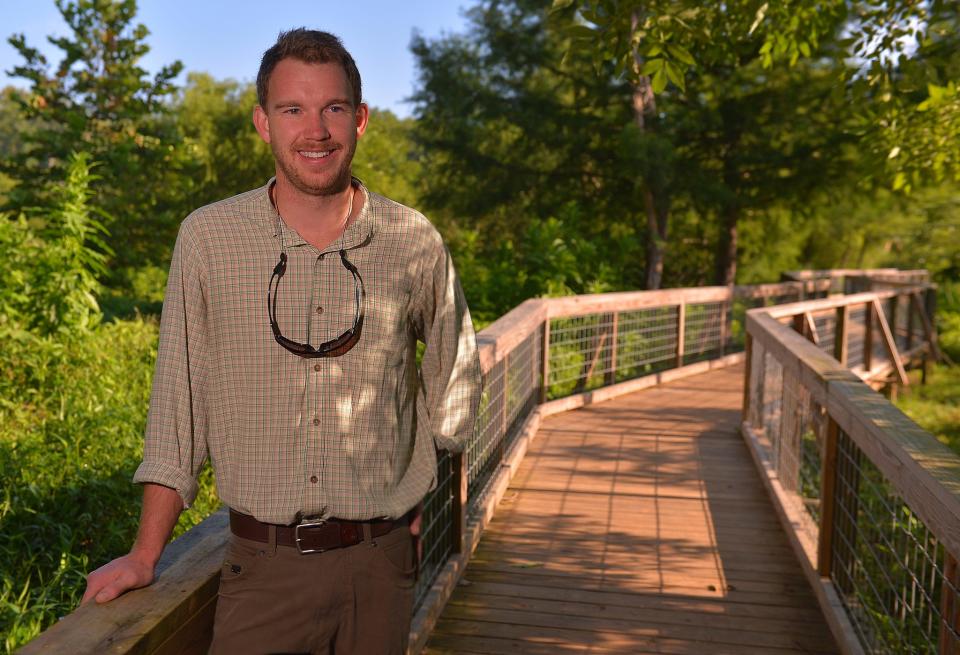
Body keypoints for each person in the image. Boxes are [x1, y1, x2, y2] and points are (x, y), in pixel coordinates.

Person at [81, 28, 482, 655]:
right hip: (262, 571)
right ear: (263, 123)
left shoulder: (413, 240)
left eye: (333, 108)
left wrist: (422, 480)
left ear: (361, 119)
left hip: (382, 568)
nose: (315, 130)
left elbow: (455, 371)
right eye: (293, 109)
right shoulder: (208, 240)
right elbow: (177, 411)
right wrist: (143, 554)